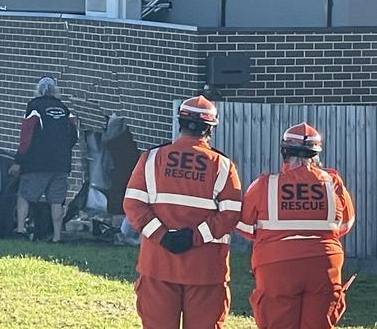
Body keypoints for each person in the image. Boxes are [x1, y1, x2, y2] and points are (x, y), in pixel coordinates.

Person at [123, 95, 242, 329]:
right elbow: (230, 214)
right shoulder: (223, 166)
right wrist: (194, 236)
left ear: (180, 123)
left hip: (158, 263)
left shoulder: (152, 158)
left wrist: (163, 236)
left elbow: (133, 205)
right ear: (210, 128)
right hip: (206, 269)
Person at [236, 122, 355, 329]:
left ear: (284, 152)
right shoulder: (333, 183)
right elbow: (345, 224)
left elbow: (245, 227)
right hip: (324, 264)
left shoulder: (265, 184)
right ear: (316, 154)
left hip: (275, 264)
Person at [8, 76, 78, 243]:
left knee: (24, 195)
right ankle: (57, 237)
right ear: (55, 90)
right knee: (57, 201)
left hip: (36, 163)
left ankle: (20, 230)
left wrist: (19, 159)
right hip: (61, 164)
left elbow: (26, 135)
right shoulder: (65, 109)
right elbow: (74, 135)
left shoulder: (34, 106)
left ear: (38, 90)